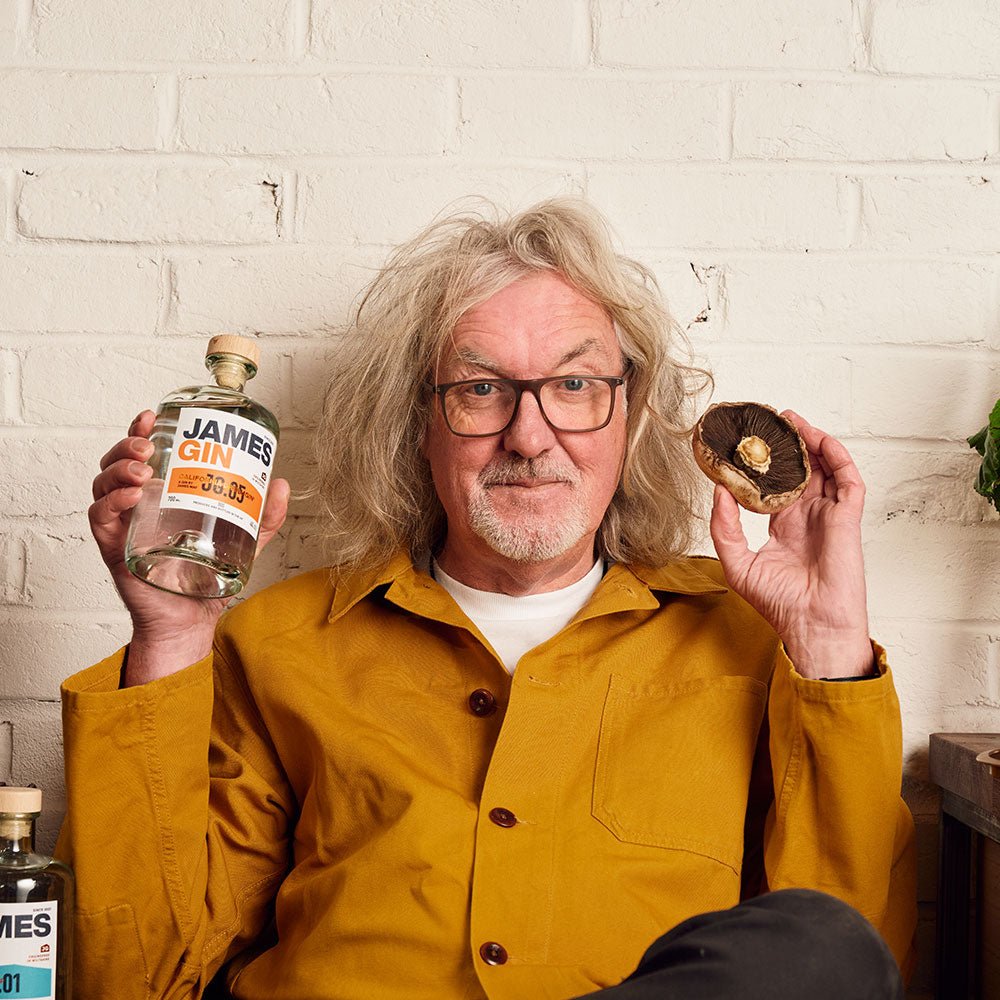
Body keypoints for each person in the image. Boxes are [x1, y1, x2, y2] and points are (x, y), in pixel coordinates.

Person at [58, 198, 917, 999]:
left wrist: (828, 643)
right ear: (417, 424)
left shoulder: (746, 638)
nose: (530, 436)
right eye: (480, 389)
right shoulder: (277, 644)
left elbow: (846, 952)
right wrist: (170, 636)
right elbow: (141, 979)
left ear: (630, 414)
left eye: (575, 386)